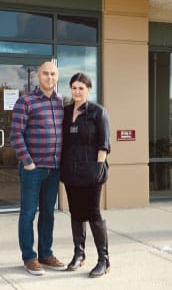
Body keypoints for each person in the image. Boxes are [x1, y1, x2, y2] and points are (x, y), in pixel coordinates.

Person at [9, 61, 66, 275]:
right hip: (33, 169)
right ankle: (29, 257)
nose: (49, 77)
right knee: (29, 213)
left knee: (48, 214)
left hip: (54, 168)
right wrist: (28, 162)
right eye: (45, 74)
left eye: (53, 74)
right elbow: (16, 134)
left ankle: (46, 254)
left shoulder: (61, 102)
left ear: (57, 77)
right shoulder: (26, 102)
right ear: (38, 76)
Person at [60, 72, 111, 277]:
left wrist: (99, 168)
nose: (77, 91)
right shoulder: (65, 112)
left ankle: (104, 260)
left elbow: (104, 144)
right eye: (74, 88)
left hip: (92, 172)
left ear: (88, 89)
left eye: (81, 88)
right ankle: (79, 254)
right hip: (71, 172)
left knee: (93, 214)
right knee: (76, 213)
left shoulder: (98, 112)